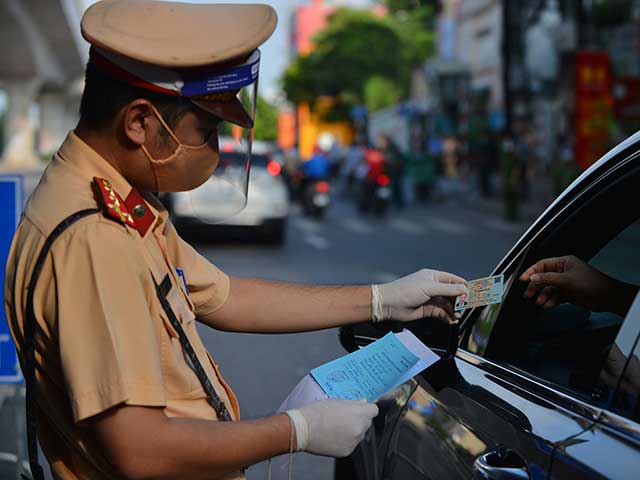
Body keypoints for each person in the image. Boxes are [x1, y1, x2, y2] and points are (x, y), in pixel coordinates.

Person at [3, 2, 467, 479]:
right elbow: (140, 450)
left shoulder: (112, 196)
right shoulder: (96, 237)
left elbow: (224, 297)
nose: (215, 148)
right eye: (206, 130)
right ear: (139, 122)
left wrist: (381, 300)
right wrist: (295, 431)